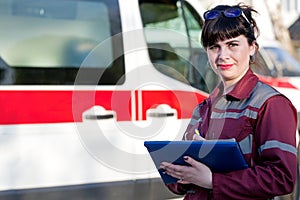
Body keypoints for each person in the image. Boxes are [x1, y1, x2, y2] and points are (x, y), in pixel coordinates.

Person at [160, 3, 298, 200]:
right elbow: (185, 179)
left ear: (252, 48)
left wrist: (211, 180)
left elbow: (281, 178)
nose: (223, 56)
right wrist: (179, 174)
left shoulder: (271, 104)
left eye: (232, 45)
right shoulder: (204, 107)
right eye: (214, 47)